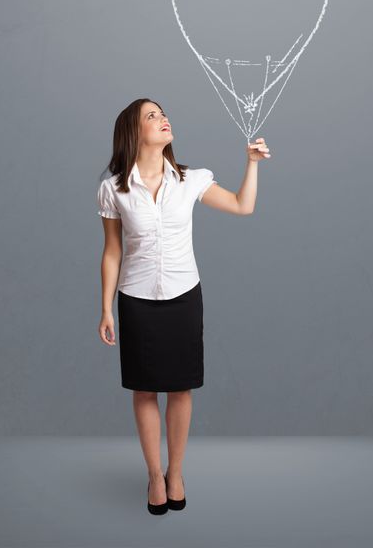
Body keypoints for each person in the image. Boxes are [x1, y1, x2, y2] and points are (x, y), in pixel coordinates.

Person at [96, 97, 270, 514]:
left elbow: (242, 206)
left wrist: (252, 163)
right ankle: (154, 476)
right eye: (151, 116)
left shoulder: (190, 179)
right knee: (143, 389)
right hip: (136, 299)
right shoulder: (113, 188)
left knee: (180, 387)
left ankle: (176, 472)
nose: (163, 119)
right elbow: (112, 252)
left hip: (183, 296)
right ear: (133, 133)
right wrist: (105, 308)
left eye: (163, 113)